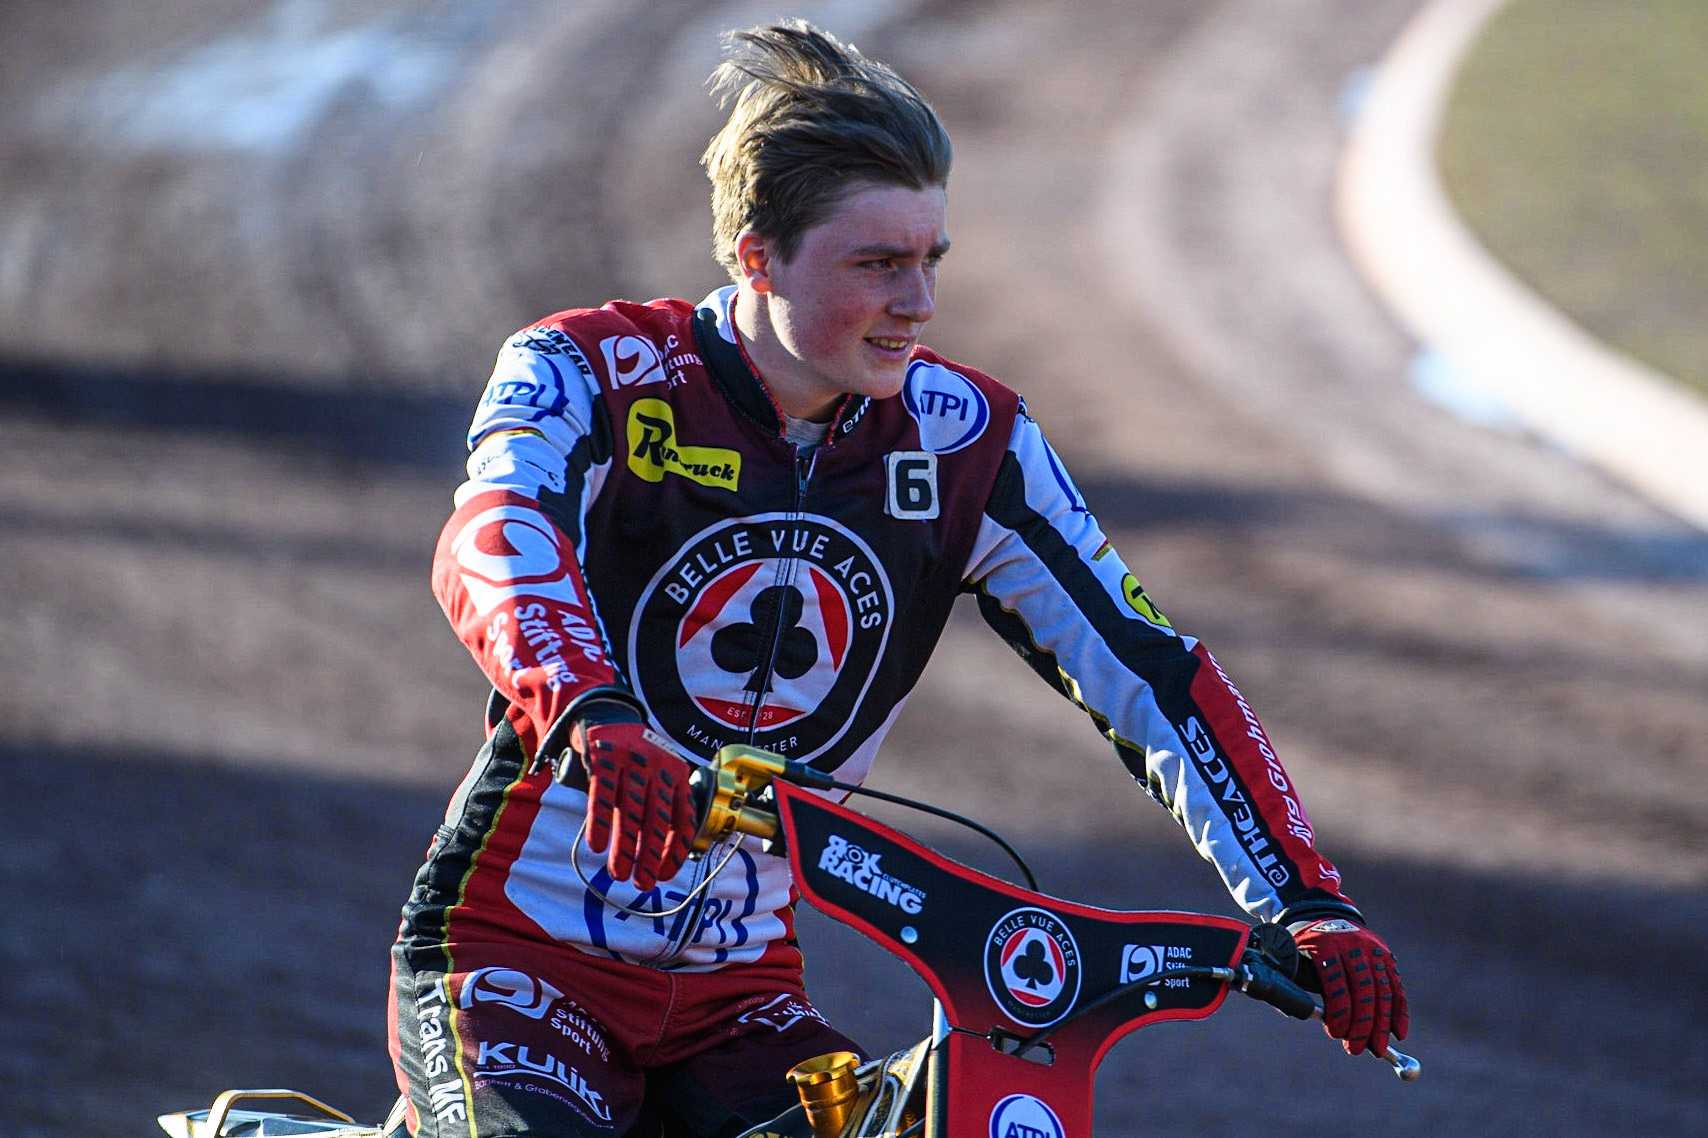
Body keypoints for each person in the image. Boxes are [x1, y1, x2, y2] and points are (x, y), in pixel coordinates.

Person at [389, 19, 1408, 1138]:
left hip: (741, 998)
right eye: (876, 263)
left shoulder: (969, 439)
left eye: (930, 260)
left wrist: (1302, 896)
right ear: (756, 255)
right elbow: (493, 529)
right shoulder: (593, 368)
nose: (918, 303)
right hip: (515, 959)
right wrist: (589, 706)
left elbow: (1150, 670)